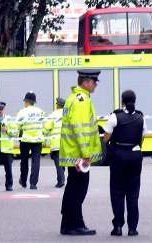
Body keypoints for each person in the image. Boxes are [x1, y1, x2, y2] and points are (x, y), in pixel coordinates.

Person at [59, 70, 103, 236]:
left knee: (72, 188)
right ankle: (75, 225)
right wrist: (86, 154)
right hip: (78, 154)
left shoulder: (73, 98)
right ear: (86, 83)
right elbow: (80, 130)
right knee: (78, 190)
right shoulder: (81, 101)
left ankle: (67, 223)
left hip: (72, 151)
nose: (96, 84)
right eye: (94, 81)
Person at [103, 90, 146, 237]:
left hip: (119, 155)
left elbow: (106, 137)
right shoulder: (141, 117)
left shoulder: (115, 116)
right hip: (135, 155)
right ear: (135, 100)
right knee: (133, 193)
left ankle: (118, 227)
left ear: (122, 101)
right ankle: (133, 228)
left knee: (117, 192)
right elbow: (142, 137)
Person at [16, 91, 45, 190]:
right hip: (37, 141)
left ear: (27, 101)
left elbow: (17, 125)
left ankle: (23, 181)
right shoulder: (40, 111)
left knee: (24, 161)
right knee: (36, 162)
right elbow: (44, 125)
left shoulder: (23, 112)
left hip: (26, 140)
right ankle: (33, 184)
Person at [44, 98, 65, 188]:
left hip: (56, 143)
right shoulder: (68, 114)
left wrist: (44, 134)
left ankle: (60, 180)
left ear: (57, 105)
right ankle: (61, 178)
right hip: (66, 143)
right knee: (63, 162)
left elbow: (47, 127)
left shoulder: (53, 115)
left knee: (58, 163)